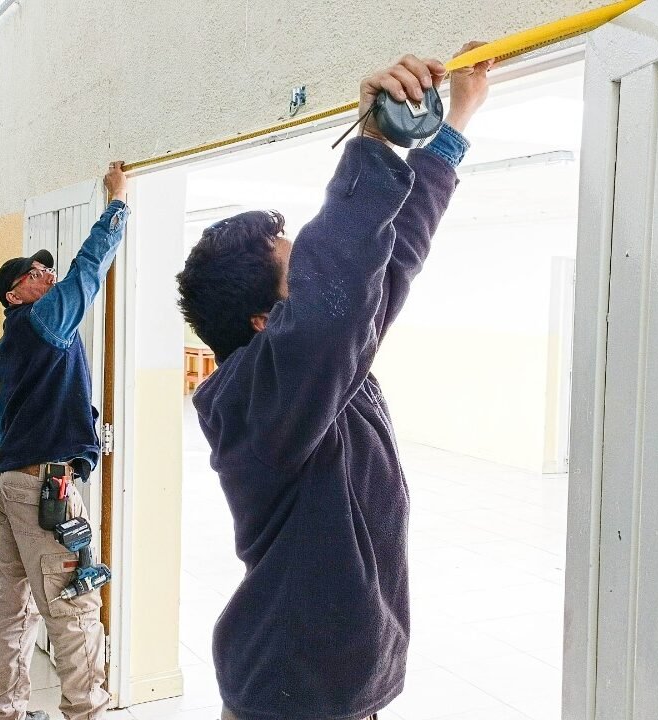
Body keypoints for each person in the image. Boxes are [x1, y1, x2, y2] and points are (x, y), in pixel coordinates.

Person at [176, 45, 492, 720]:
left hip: (329, 688)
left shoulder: (316, 374)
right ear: (265, 321)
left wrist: (456, 122)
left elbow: (388, 260)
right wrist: (373, 142)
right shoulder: (258, 404)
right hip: (290, 695)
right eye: (302, 279)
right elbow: (337, 299)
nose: (325, 288)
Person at [0, 162, 129, 720]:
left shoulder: (18, 340)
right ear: (15, 295)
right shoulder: (42, 321)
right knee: (73, 608)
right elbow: (87, 273)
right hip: (44, 488)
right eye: (34, 273)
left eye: (45, 268)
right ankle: (87, 711)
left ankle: (4, 711)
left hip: (13, 482)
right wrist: (117, 205)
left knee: (12, 608)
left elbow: (10, 417)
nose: (46, 273)